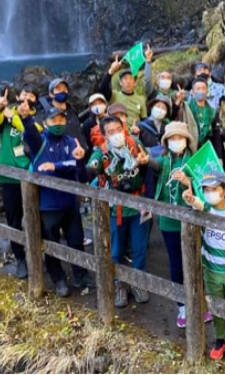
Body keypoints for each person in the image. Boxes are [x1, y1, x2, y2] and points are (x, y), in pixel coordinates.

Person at [148, 121, 213, 327]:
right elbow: (154, 164)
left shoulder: (195, 161)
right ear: (166, 141)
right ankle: (182, 307)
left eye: (180, 138)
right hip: (169, 221)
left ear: (187, 140)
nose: (177, 142)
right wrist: (143, 159)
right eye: (172, 138)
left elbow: (207, 185)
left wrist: (188, 182)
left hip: (193, 218)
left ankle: (200, 303)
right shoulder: (164, 160)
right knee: (176, 263)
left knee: (196, 261)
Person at [21, 104, 91, 297]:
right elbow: (29, 133)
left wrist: (59, 164)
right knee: (51, 244)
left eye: (61, 119)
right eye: (53, 120)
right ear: (45, 123)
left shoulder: (72, 142)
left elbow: (77, 170)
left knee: (76, 240)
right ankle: (58, 278)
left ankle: (80, 274)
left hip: (71, 201)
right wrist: (26, 118)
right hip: (48, 204)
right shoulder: (39, 142)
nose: (58, 123)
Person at [182, 171, 225, 365]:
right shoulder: (206, 209)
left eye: (214, 189)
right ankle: (221, 339)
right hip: (211, 269)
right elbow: (196, 203)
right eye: (206, 190)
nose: (210, 193)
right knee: (216, 306)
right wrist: (190, 198)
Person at [88, 115, 151, 307]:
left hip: (139, 204)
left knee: (140, 249)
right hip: (116, 209)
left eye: (118, 129)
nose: (116, 134)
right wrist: (90, 165)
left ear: (123, 128)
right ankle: (119, 284)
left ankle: (138, 282)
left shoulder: (134, 143)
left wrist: (145, 161)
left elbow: (148, 163)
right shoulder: (103, 152)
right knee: (116, 250)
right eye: (111, 132)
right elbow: (93, 165)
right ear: (104, 135)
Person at [0, 86, 40, 279]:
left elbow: (28, 130)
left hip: (31, 177)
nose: (25, 99)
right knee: (13, 219)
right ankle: (20, 259)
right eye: (23, 95)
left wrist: (12, 116)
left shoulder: (36, 122)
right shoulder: (6, 119)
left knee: (37, 216)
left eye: (30, 96)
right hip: (9, 177)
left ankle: (40, 253)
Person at [36, 78, 88, 155]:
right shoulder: (45, 115)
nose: (63, 91)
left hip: (82, 154)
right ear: (51, 94)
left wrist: (85, 146)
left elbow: (78, 130)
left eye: (65, 89)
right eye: (58, 89)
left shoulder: (72, 110)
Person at [99, 53, 149, 125]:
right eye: (125, 79)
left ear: (135, 83)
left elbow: (144, 120)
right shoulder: (114, 95)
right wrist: (111, 71)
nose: (128, 81)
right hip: (117, 132)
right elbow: (103, 88)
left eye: (131, 79)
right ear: (120, 83)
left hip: (134, 134)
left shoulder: (141, 99)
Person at [186, 76, 224, 159]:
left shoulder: (213, 112)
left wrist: (219, 157)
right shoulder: (186, 108)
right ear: (192, 92)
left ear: (207, 91)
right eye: (198, 88)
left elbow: (216, 135)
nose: (201, 91)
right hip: (188, 148)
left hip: (206, 148)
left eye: (203, 88)